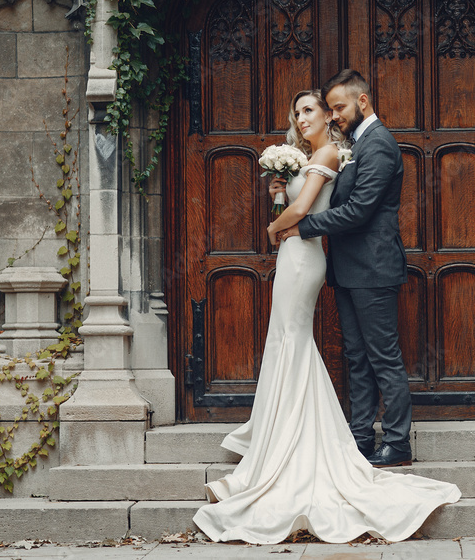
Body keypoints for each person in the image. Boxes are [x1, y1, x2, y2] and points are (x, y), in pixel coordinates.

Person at [192, 88, 459, 545]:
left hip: (357, 264)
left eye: (318, 109)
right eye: (301, 111)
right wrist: (279, 193)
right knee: (341, 351)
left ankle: (395, 445)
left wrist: (279, 227)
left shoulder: (349, 149)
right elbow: (300, 204)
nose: (307, 117)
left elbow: (341, 212)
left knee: (376, 353)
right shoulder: (314, 155)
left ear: (358, 102)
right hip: (327, 262)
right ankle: (343, 437)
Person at [277, 69, 412, 469]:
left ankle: (398, 442)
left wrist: (302, 226)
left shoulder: (380, 145)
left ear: (362, 101)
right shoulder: (355, 143)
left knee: (384, 356)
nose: (334, 115)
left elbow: (358, 212)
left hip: (375, 270)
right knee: (356, 356)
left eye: (339, 107)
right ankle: (359, 437)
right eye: (331, 108)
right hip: (349, 269)